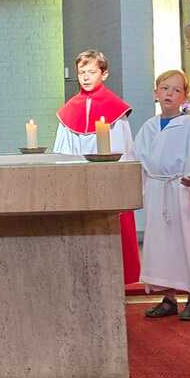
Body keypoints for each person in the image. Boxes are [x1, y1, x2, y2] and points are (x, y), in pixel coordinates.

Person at [130, 70, 190, 322]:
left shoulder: (189, 125)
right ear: (155, 93)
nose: (169, 93)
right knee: (162, 246)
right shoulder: (149, 127)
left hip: (181, 191)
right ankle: (168, 298)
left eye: (176, 90)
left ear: (185, 97)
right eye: (165, 88)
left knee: (186, 242)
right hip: (158, 190)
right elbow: (135, 159)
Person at [54, 49, 140, 285]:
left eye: (91, 72)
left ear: (104, 74)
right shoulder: (69, 110)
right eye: (81, 72)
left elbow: (125, 151)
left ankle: (116, 281)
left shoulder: (116, 110)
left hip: (109, 185)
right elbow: (61, 153)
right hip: (77, 187)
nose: (85, 77)